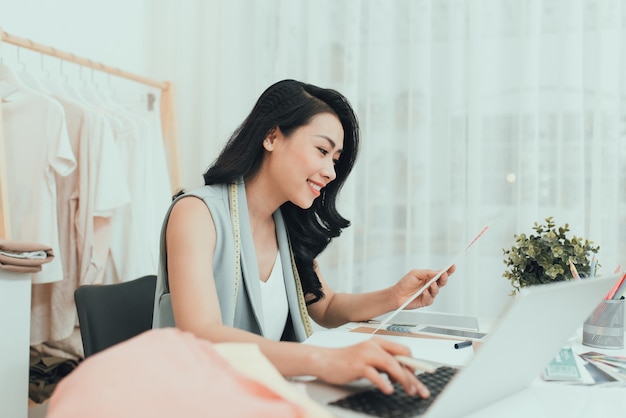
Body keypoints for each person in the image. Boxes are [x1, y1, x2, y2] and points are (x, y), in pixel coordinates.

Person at [152, 79, 455, 398]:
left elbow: (326, 306)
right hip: (196, 399)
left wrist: (396, 296)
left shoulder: (285, 223)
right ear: (271, 136)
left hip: (252, 395)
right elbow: (202, 336)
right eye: (322, 150)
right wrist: (323, 360)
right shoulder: (196, 213)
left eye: (335, 160)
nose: (331, 172)